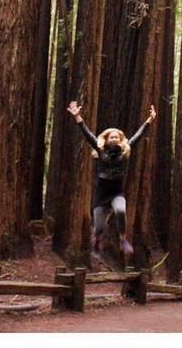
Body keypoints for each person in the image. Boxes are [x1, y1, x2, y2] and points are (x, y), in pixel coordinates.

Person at [66, 99, 156, 263]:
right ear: (106, 139)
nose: (114, 139)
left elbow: (138, 136)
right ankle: (96, 241)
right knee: (99, 227)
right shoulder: (100, 150)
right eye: (111, 137)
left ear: (120, 139)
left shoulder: (125, 150)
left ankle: (123, 240)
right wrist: (77, 117)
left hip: (116, 192)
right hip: (101, 195)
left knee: (121, 211)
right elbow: (87, 135)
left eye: (116, 137)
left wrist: (149, 120)